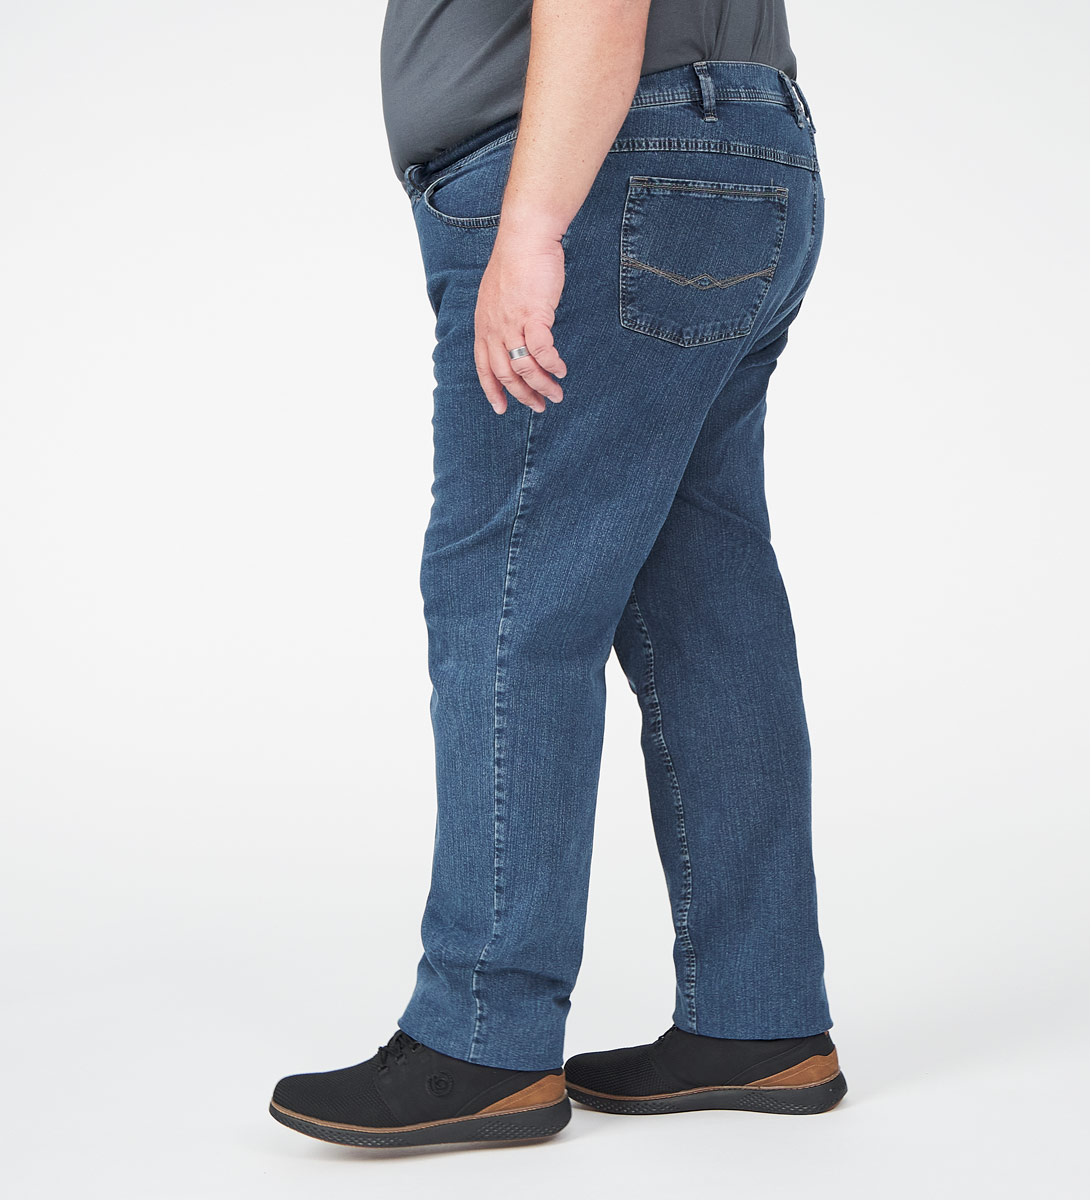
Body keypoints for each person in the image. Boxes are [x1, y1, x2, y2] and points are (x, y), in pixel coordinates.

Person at [269, 0, 845, 1149]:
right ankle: (758, 1016)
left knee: (509, 596)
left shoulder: (571, 192)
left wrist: (535, 221)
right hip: (735, 148)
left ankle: (483, 1038)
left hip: (600, 169)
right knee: (704, 605)